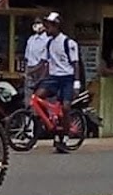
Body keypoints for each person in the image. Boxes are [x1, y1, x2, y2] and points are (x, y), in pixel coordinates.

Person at [40, 13, 81, 147]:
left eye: (49, 26)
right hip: (53, 78)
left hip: (67, 79)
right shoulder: (49, 43)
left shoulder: (68, 43)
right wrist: (40, 78)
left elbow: (75, 64)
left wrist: (76, 82)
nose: (46, 29)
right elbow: (46, 63)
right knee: (38, 97)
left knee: (65, 107)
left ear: (56, 26)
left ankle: (64, 135)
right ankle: (51, 123)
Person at [24, 18, 48, 106]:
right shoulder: (31, 39)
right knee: (28, 98)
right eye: (35, 23)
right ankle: (29, 117)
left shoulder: (47, 39)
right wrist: (27, 71)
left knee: (41, 98)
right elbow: (27, 57)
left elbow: (44, 61)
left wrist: (34, 70)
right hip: (30, 71)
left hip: (41, 71)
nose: (36, 25)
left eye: (39, 23)